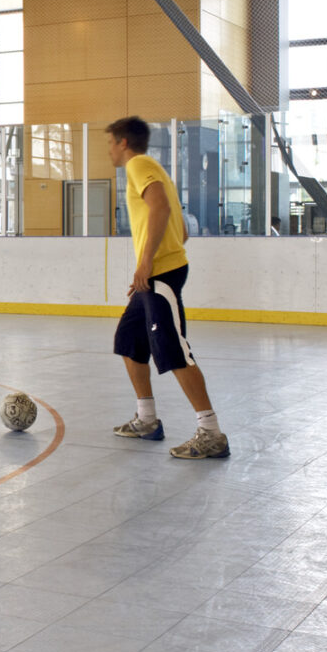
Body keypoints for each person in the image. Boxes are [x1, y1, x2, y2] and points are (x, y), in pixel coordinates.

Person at [105, 116, 228, 459]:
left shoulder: (139, 165)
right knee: (129, 343)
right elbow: (181, 228)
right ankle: (147, 419)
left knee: (174, 352)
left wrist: (146, 263)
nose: (110, 151)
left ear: (124, 143)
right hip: (153, 276)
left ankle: (211, 433)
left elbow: (159, 207)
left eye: (111, 144)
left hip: (159, 275)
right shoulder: (152, 168)